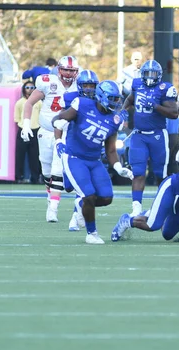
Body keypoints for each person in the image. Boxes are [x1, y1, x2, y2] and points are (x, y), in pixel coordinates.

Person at [51, 80, 133, 244]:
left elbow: (110, 149)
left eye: (118, 99)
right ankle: (91, 233)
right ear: (102, 96)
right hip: (74, 157)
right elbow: (58, 119)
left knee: (106, 197)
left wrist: (118, 167)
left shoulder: (114, 119)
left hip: (94, 160)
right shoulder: (82, 104)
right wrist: (58, 140)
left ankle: (80, 204)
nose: (116, 102)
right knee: (89, 195)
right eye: (113, 98)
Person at [22, 55, 80, 223]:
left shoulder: (80, 85)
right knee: (47, 172)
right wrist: (26, 124)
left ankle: (53, 209)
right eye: (66, 70)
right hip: (46, 131)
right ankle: (50, 200)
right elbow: (28, 103)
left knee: (57, 170)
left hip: (66, 134)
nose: (69, 74)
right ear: (59, 69)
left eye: (72, 70)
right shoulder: (47, 81)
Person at [121, 60, 178, 217]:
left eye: (153, 74)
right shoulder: (137, 83)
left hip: (157, 135)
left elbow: (174, 113)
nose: (150, 77)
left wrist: (157, 107)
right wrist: (123, 110)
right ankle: (137, 208)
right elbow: (130, 99)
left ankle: (162, 205)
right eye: (147, 74)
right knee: (138, 172)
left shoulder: (165, 88)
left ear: (159, 75)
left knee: (161, 173)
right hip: (139, 135)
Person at [62, 69, 100, 232]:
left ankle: (75, 216)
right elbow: (61, 119)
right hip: (71, 145)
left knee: (84, 185)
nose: (90, 89)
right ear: (80, 86)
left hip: (88, 148)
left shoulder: (100, 100)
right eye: (86, 85)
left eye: (92, 86)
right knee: (68, 186)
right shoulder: (71, 99)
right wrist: (58, 141)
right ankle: (78, 212)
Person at [14, 82, 41, 184]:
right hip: (23, 129)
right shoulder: (20, 103)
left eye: (32, 87)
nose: (30, 89)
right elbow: (17, 119)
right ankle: (19, 177)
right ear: (24, 89)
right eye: (27, 87)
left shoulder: (39, 103)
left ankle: (35, 177)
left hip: (35, 129)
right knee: (20, 155)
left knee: (35, 156)